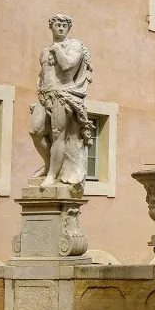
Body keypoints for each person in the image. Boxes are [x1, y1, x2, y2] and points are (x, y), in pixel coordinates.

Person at [29, 14, 94, 188]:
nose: (60, 28)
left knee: (58, 135)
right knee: (35, 132)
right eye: (57, 25)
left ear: (69, 28)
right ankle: (49, 164)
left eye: (64, 26)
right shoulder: (44, 52)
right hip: (45, 95)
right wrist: (39, 94)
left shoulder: (74, 46)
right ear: (51, 27)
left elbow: (67, 65)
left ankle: (52, 175)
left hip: (62, 94)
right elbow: (42, 75)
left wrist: (57, 49)